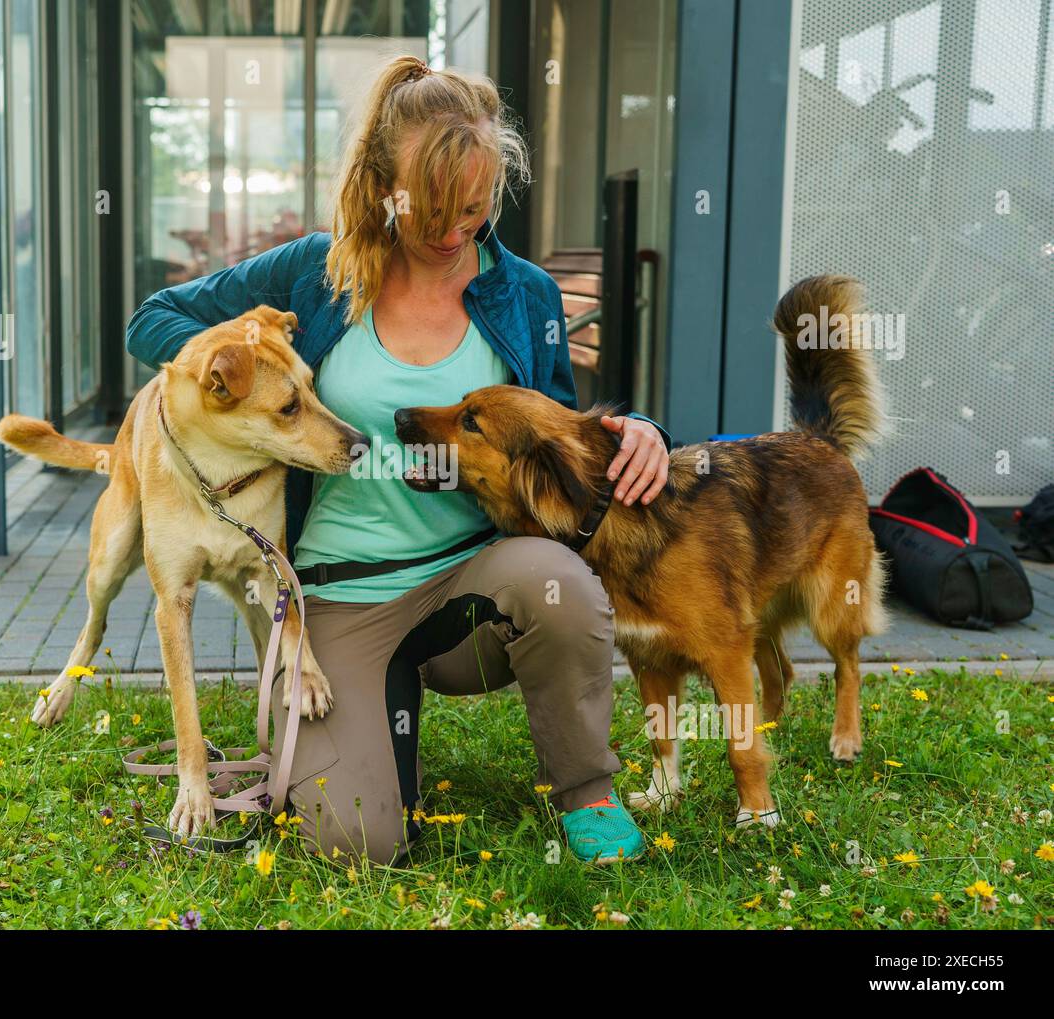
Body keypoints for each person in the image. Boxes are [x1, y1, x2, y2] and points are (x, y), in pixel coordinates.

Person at [127, 55, 671, 864]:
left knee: (559, 589)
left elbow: (558, 429)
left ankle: (587, 790)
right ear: (386, 186)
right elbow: (154, 317)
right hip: (336, 601)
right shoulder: (313, 272)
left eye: (476, 209)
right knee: (353, 842)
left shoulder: (523, 294)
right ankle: (379, 728)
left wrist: (642, 431)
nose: (455, 235)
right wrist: (234, 355)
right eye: (435, 213)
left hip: (472, 582)